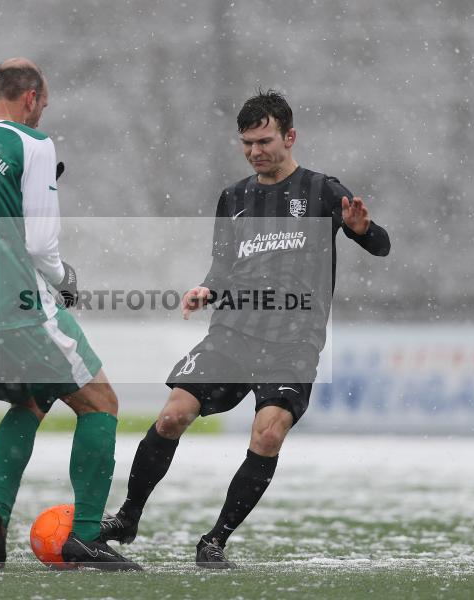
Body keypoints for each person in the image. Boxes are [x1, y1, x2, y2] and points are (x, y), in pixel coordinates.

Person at [100, 90, 391, 567]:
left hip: (293, 342)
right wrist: (206, 288)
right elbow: (223, 266)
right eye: (247, 143)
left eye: (265, 140)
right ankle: (129, 516)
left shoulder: (322, 190)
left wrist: (361, 229)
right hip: (233, 331)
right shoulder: (234, 197)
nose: (256, 151)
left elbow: (381, 246)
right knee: (173, 414)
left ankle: (214, 539)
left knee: (268, 434)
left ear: (289, 137)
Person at [0, 58, 140, 571]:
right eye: (43, 105)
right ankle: (87, 536)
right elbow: (42, 244)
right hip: (16, 301)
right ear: (29, 98)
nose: (42, 115)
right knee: (101, 403)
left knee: (28, 401)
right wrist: (64, 279)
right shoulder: (33, 144)